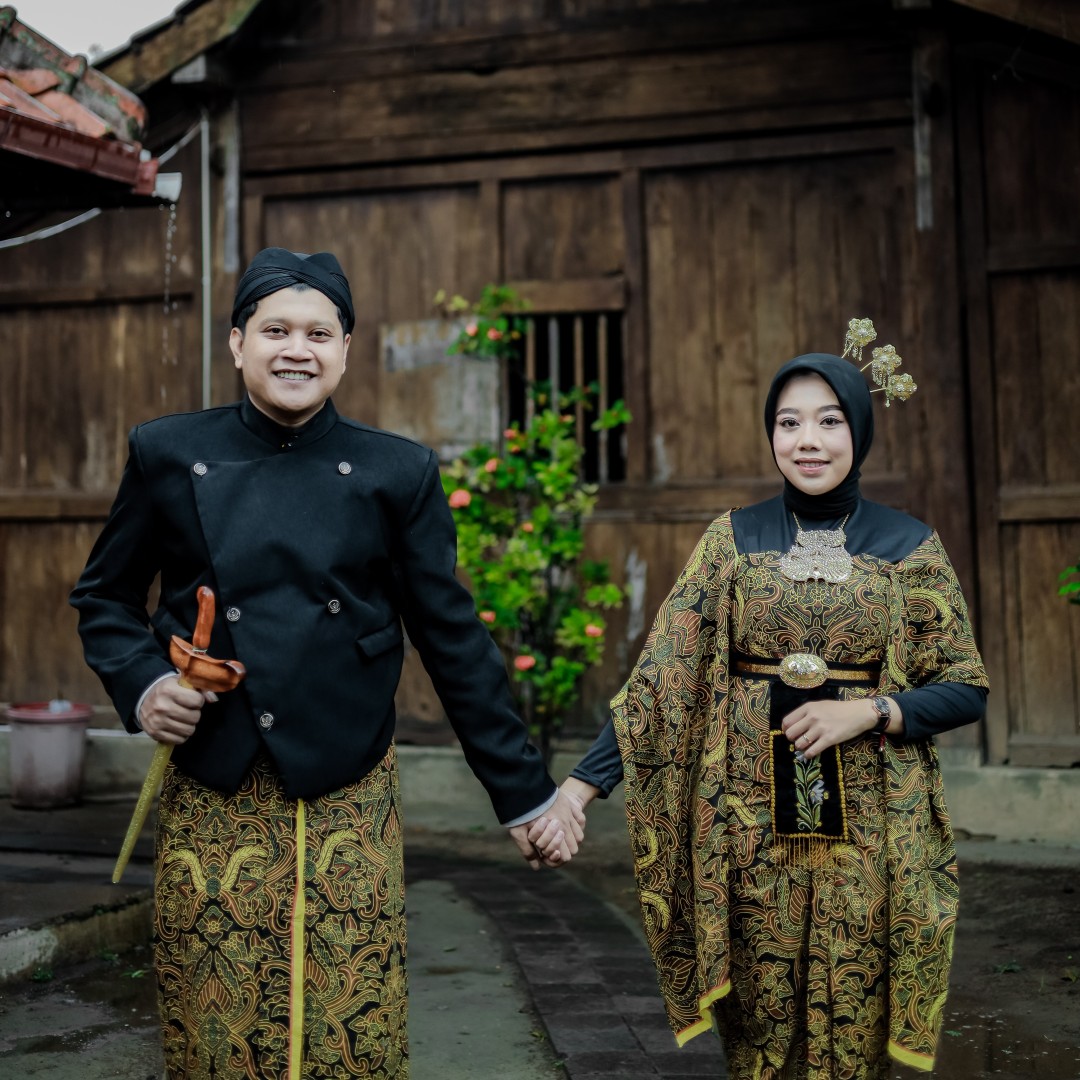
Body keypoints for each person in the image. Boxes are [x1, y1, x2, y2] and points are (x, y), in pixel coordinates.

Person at [71, 247, 584, 1079]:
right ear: (237, 343)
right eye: (275, 330)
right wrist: (146, 684)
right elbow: (104, 597)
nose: (296, 350)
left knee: (350, 1018)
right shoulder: (167, 451)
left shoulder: (397, 470)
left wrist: (523, 794)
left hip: (347, 780)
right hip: (216, 779)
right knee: (218, 1017)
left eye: (318, 333)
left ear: (346, 349)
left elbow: (451, 637)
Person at [533, 338, 988, 1079]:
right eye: (788, 422)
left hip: (870, 831)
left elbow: (965, 685)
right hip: (746, 825)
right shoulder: (732, 541)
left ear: (860, 429)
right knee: (761, 1019)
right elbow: (662, 681)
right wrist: (578, 792)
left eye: (829, 421)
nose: (808, 440)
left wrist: (868, 711)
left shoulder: (910, 547)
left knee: (852, 1014)